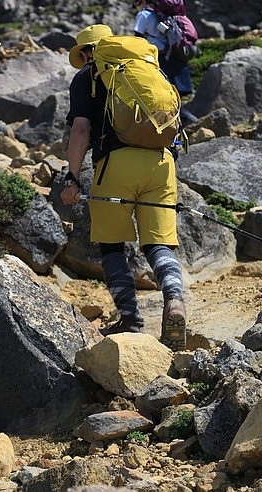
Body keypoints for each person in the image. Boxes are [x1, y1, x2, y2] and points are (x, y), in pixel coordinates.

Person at [60, 24, 186, 351]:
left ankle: (130, 316)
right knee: (159, 245)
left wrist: (72, 177)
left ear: (89, 52)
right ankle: (174, 301)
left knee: (112, 245)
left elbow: (81, 130)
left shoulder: (88, 77)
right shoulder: (146, 68)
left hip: (115, 165)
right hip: (161, 163)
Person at [133, 0, 197, 125]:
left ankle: (190, 123)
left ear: (141, 0)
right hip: (176, 57)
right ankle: (187, 125)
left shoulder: (144, 15)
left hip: (161, 60)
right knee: (175, 98)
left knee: (166, 100)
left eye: (135, 3)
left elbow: (137, 40)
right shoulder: (163, 14)